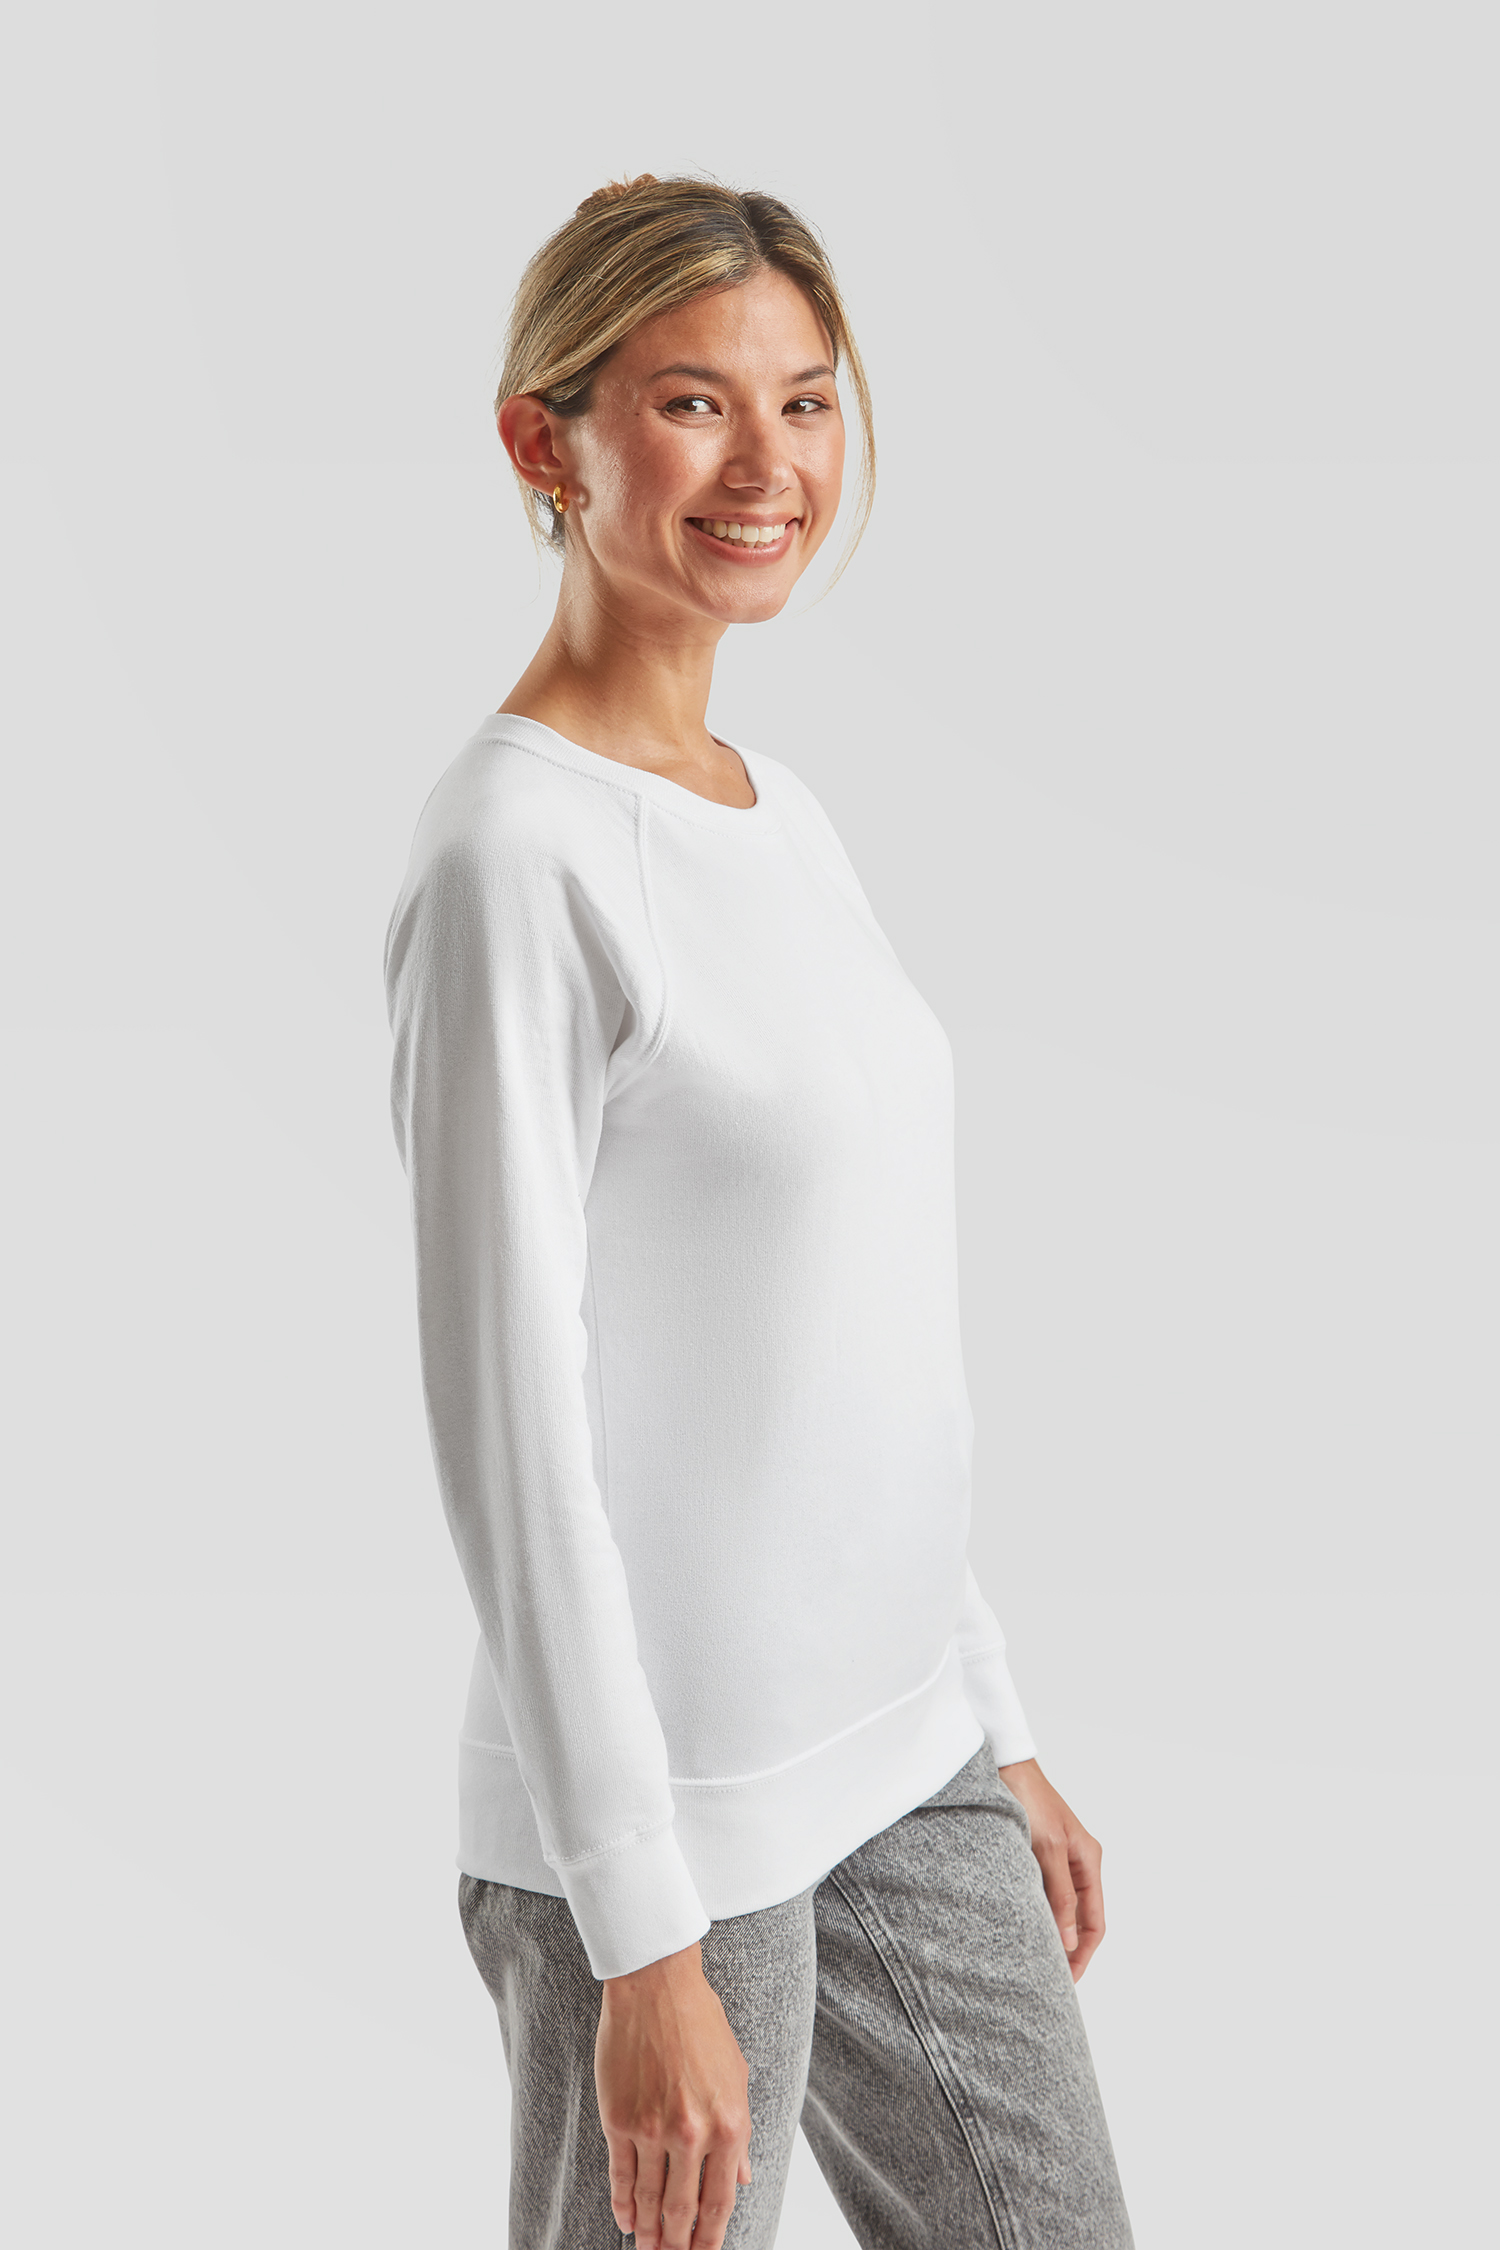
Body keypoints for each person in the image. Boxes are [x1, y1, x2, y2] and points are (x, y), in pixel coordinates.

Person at [385, 175, 1133, 2250]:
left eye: (805, 401)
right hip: (664, 1821)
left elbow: (850, 1331)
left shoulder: (774, 812)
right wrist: (635, 1931)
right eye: (693, 403)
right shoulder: (514, 858)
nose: (768, 463)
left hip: (899, 1757)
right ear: (545, 441)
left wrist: (992, 1723)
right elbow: (508, 1433)